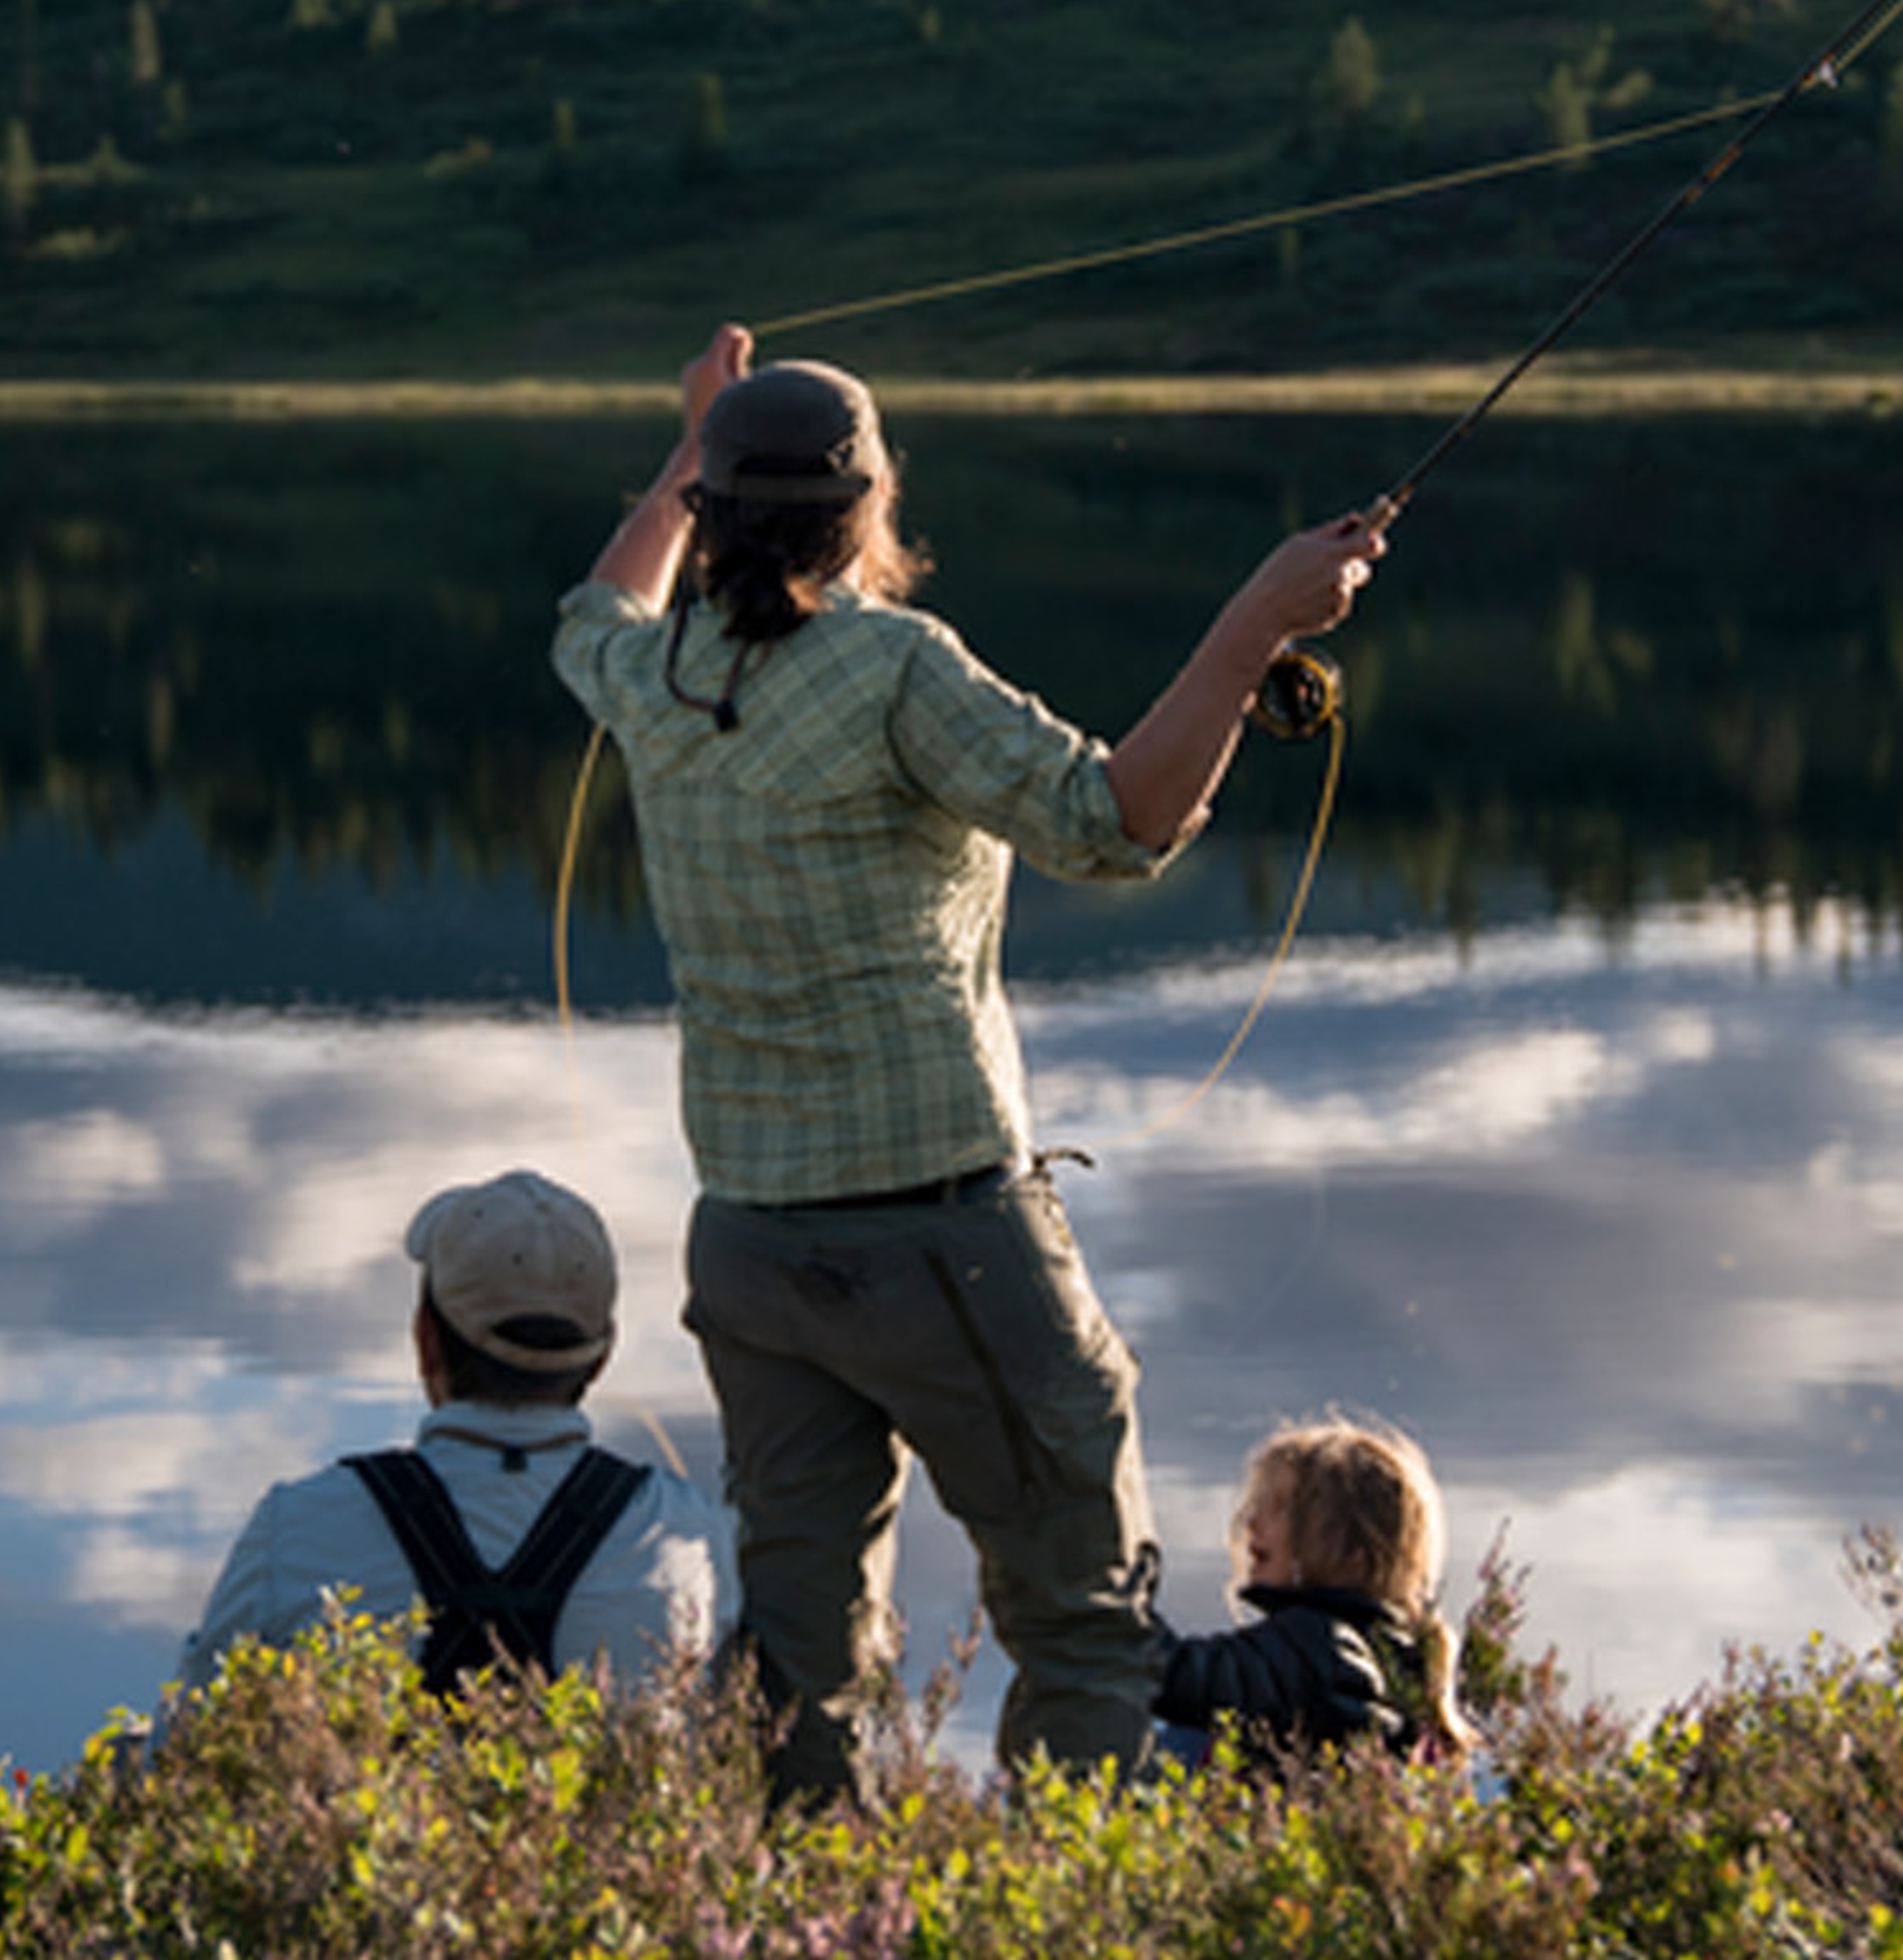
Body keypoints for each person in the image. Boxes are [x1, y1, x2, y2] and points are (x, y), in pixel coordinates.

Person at [550, 321, 1385, 1798]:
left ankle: (798, 1900)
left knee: (797, 1645)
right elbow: (1116, 821)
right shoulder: (891, 666)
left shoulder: (655, 674)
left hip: (746, 1244)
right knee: (1081, 1628)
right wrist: (1254, 621)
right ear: (870, 501)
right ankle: (1056, 1910)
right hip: (945, 1241)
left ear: (711, 514)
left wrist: (696, 440)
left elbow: (590, 609)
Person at [172, 1169, 737, 1704]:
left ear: (426, 1339)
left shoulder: (294, 1525)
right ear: (602, 1357)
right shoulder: (698, 1539)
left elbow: (178, 1758)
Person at [1153, 1414, 1477, 1770]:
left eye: (1280, 1509)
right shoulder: (1394, 1649)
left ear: (1350, 1551)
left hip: (1258, 1822)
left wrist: (1110, 1600)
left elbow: (1172, 1676)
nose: (1252, 1522)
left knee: (1185, 1734)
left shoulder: (1315, 1647)